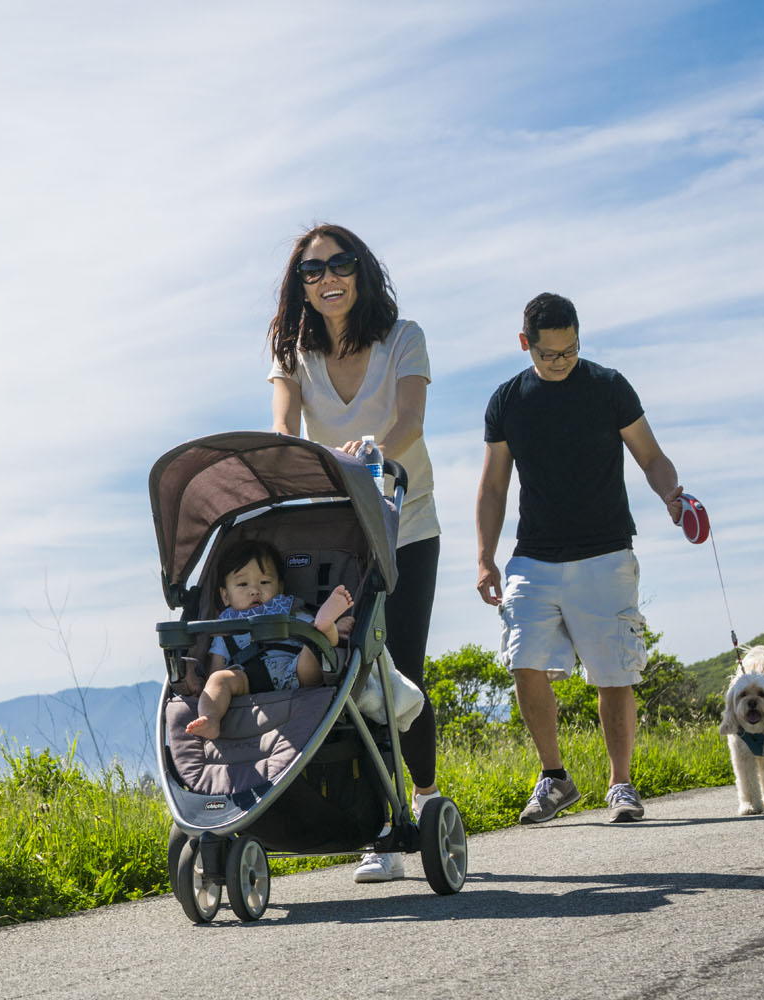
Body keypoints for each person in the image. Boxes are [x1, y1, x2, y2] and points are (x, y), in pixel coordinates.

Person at [267, 223, 440, 883]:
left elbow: (409, 420)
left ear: (361, 271)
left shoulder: (404, 339)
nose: (327, 278)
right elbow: (283, 424)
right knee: (354, 672)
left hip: (406, 522)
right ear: (301, 287)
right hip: (340, 534)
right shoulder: (294, 354)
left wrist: (371, 458)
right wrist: (296, 457)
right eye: (312, 271)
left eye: (340, 265)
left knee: (403, 671)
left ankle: (422, 801)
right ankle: (383, 830)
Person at [475, 292, 685, 825]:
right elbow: (493, 487)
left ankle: (621, 784)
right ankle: (555, 778)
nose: (561, 361)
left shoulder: (609, 387)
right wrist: (485, 556)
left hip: (606, 552)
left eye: (570, 350)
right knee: (522, 660)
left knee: (613, 674)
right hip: (534, 557)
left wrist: (673, 496)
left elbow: (651, 456)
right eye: (549, 354)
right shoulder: (507, 401)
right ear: (526, 345)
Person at [185, 540, 354, 741]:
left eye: (264, 582)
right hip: (247, 679)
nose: (254, 590)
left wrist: (330, 630)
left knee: (316, 644)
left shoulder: (289, 611)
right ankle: (210, 718)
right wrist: (208, 683)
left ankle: (327, 622)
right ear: (225, 595)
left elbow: (316, 637)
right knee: (219, 679)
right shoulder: (224, 628)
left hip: (294, 670)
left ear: (280, 587)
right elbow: (216, 667)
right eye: (242, 584)